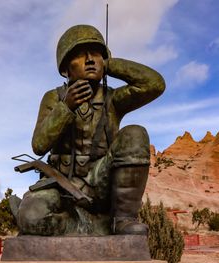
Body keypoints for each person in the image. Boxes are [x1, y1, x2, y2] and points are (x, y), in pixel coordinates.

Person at [15, 25, 165, 236]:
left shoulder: (112, 99)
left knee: (135, 133)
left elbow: (154, 84)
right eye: (79, 54)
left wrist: (110, 64)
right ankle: (81, 225)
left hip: (100, 183)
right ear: (65, 68)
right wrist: (65, 107)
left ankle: (122, 221)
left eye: (95, 53)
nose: (90, 59)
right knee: (31, 218)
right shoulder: (54, 98)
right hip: (60, 185)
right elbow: (39, 145)